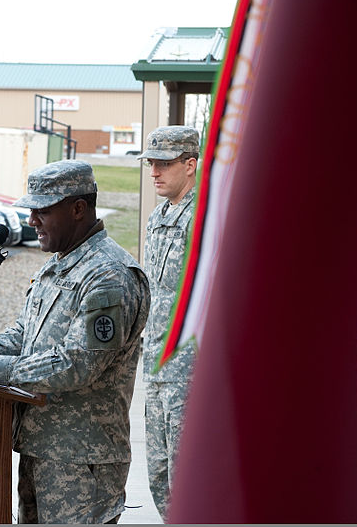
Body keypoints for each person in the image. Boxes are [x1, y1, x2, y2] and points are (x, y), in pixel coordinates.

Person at [0, 159, 150, 524]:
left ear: (78, 209)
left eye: (42, 210)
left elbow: (77, 363)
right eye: (31, 210)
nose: (32, 221)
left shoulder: (110, 276)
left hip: (83, 463)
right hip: (42, 449)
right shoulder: (58, 265)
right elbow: (25, 336)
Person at [138, 125, 200, 519]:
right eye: (151, 164)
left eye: (163, 164)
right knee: (158, 476)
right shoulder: (159, 216)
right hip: (156, 366)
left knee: (187, 478)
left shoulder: (204, 218)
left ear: (190, 164)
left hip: (189, 372)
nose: (155, 172)